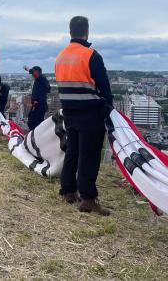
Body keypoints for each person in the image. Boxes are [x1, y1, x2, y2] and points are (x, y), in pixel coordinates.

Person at [54, 16, 114, 216]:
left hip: (69, 113)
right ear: (86, 32)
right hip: (90, 114)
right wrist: (108, 107)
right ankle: (88, 199)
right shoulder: (91, 56)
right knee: (89, 156)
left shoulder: (60, 57)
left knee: (73, 152)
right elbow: (105, 89)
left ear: (70, 32)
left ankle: (68, 191)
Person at [24, 65, 50, 130]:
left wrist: (28, 69)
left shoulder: (41, 78)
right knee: (35, 121)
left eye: (33, 73)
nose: (32, 75)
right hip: (39, 104)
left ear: (37, 72)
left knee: (33, 121)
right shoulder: (42, 79)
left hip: (38, 104)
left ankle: (35, 136)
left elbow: (36, 74)